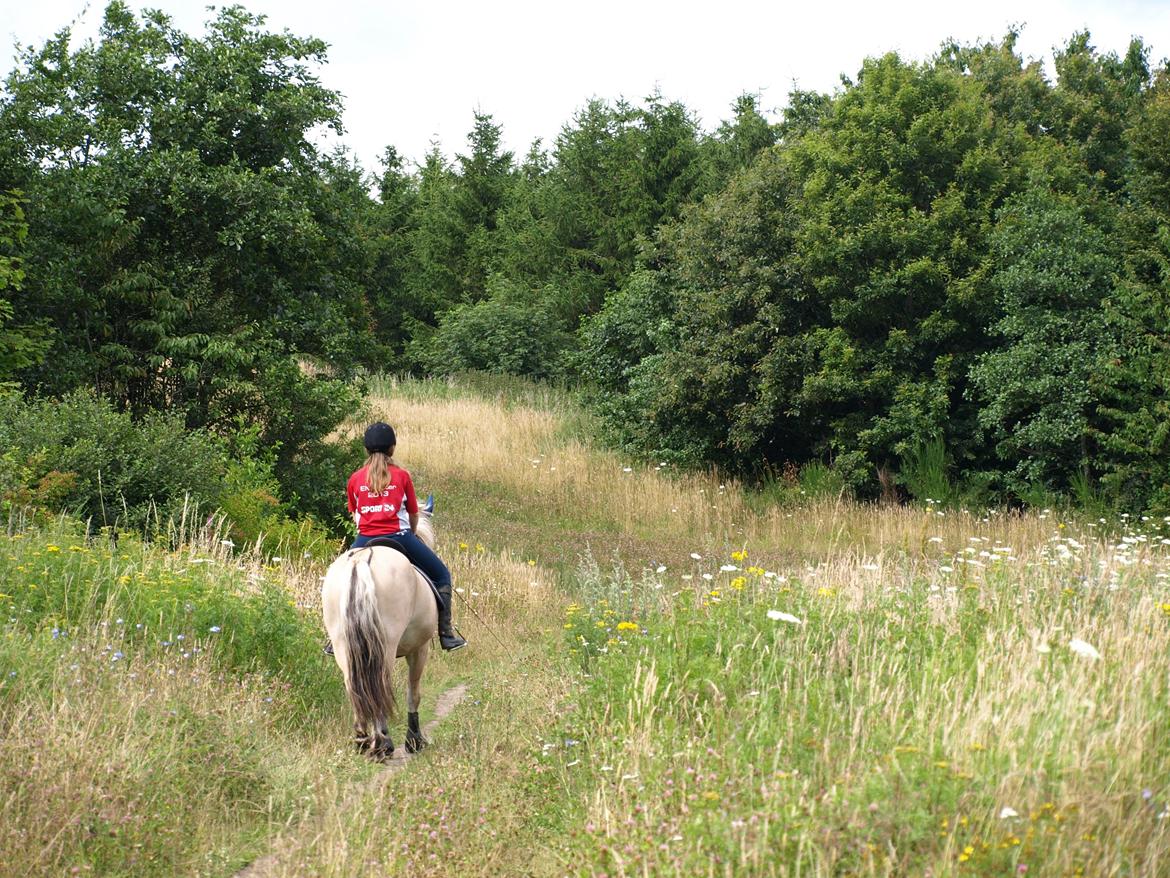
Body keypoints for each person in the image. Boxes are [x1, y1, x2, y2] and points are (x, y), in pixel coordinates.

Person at [344, 421, 467, 651]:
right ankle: (446, 633)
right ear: (392, 448)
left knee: (341, 575)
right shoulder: (401, 476)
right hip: (400, 536)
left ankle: (335, 636)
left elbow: (355, 515)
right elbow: (413, 514)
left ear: (366, 449)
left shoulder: (355, 479)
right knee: (441, 575)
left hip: (364, 539)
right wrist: (410, 532)